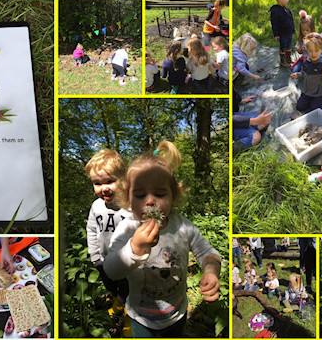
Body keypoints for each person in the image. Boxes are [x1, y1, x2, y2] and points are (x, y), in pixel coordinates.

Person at [104, 140, 221, 338]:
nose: (150, 201)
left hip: (177, 313)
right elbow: (111, 270)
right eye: (140, 195)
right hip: (142, 319)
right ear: (128, 198)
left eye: (159, 193)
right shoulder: (127, 229)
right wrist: (134, 248)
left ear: (173, 196)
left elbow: (208, 253)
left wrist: (211, 270)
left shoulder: (182, 226)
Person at [84, 149, 130, 303]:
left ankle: (128, 313)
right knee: (110, 285)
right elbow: (91, 230)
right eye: (97, 183)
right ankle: (117, 301)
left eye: (110, 181)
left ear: (123, 179)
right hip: (103, 260)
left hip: (127, 262)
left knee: (127, 289)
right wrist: (95, 256)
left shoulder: (130, 205)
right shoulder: (96, 206)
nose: (104, 188)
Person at [290, 33, 322, 114]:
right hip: (307, 92)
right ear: (307, 50)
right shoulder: (306, 62)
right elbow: (303, 74)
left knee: (315, 110)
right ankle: (311, 101)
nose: (313, 54)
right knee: (299, 106)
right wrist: (297, 75)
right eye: (310, 51)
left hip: (318, 94)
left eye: (316, 50)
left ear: (321, 49)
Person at [270, 0, 295, 68]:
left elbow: (291, 21)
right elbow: (274, 23)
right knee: (283, 46)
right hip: (282, 34)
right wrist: (276, 34)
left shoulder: (287, 10)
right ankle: (283, 60)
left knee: (289, 46)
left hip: (289, 33)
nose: (288, 0)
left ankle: (288, 58)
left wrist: (292, 30)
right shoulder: (275, 11)